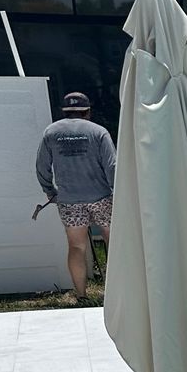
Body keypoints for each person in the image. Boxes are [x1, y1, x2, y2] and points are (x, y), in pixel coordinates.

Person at [34, 91, 115, 301]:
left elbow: (42, 167)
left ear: (64, 112)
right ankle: (116, 293)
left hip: (69, 201)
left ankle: (81, 295)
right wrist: (116, 191)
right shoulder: (99, 132)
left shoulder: (51, 132)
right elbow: (112, 166)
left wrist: (50, 192)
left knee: (76, 247)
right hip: (102, 198)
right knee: (113, 242)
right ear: (87, 111)